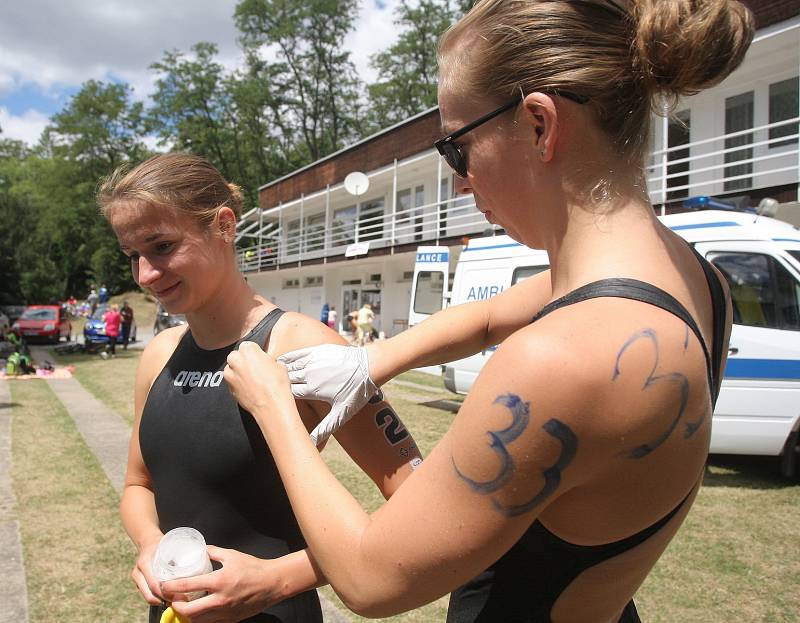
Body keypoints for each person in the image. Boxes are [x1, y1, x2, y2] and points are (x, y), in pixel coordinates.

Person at [223, 1, 750, 621]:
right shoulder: (696, 279)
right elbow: (492, 316)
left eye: (458, 148)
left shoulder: (565, 359)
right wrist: (373, 360)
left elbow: (371, 579)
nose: (459, 185)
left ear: (538, 124)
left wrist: (273, 409)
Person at [97, 153, 421, 623]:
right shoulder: (160, 354)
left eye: (162, 246)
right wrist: (151, 544)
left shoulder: (301, 345)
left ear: (223, 226)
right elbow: (138, 484)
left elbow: (417, 503)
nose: (145, 274)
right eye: (133, 256)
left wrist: (278, 578)